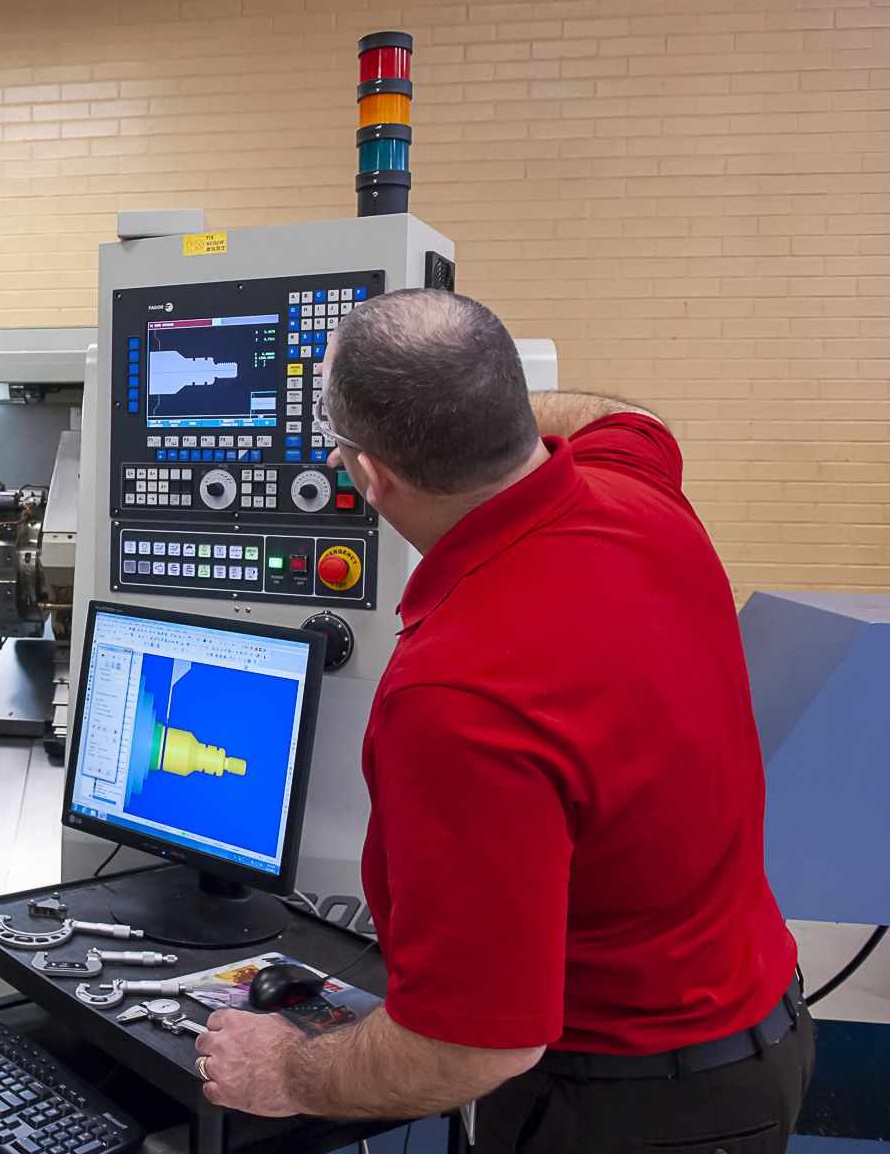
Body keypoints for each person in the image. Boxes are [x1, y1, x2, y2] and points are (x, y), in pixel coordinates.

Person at [194, 290, 810, 1152]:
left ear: (370, 476)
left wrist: (289, 1071)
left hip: (627, 1107)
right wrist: (477, 405)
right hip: (757, 1033)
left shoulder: (455, 697)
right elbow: (625, 414)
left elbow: (475, 1043)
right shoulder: (636, 492)